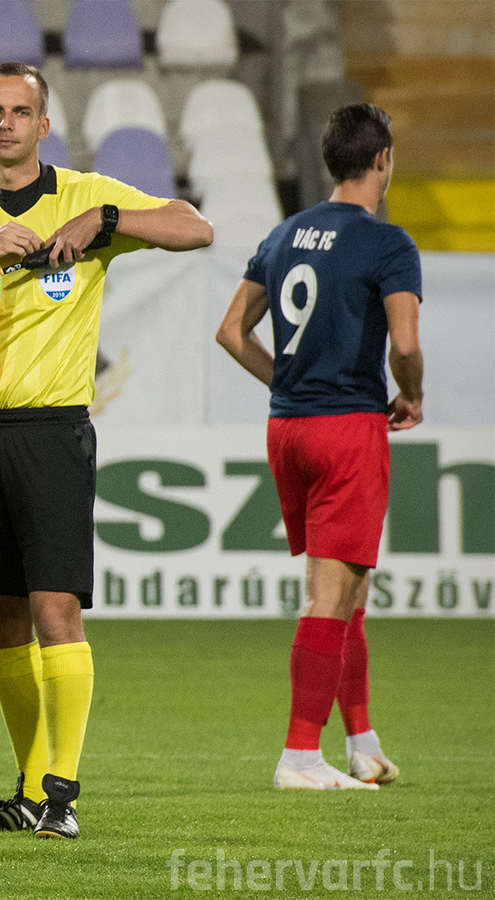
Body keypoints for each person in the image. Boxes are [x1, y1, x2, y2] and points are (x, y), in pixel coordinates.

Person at [0, 62, 214, 840]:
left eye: (21, 111)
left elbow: (196, 228)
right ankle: (27, 786)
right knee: (1, 618)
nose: (6, 123)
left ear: (44, 126)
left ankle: (62, 794)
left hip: (51, 430)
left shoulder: (84, 196)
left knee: (56, 609)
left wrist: (104, 219)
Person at [216, 103, 421, 791]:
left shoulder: (285, 234)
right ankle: (301, 755)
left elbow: (231, 330)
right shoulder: (387, 244)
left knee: (347, 589)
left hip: (288, 429)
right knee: (329, 597)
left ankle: (361, 743)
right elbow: (405, 345)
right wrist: (412, 395)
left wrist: (290, 382)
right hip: (346, 429)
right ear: (383, 160)